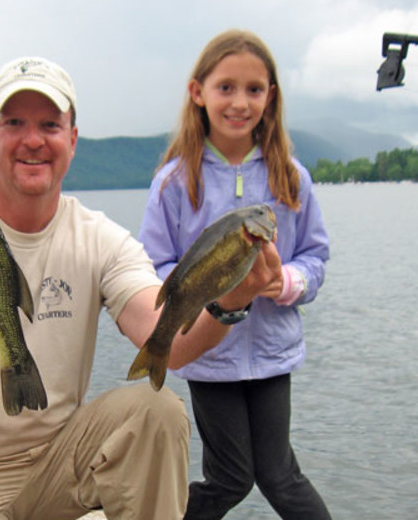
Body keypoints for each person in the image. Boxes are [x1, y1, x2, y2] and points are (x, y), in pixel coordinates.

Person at [0, 56, 280, 520]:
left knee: (157, 410)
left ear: (73, 139)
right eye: (14, 122)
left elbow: (164, 339)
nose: (33, 139)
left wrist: (230, 301)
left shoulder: (99, 237)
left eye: (50, 124)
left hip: (61, 465)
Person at [138, 30, 332, 520]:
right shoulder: (173, 182)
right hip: (210, 358)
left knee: (279, 475)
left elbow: (315, 256)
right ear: (197, 93)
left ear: (271, 98)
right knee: (230, 477)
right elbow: (156, 266)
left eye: (253, 89)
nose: (239, 102)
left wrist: (287, 283)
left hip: (272, 354)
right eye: (226, 87)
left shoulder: (292, 176)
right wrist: (205, 304)